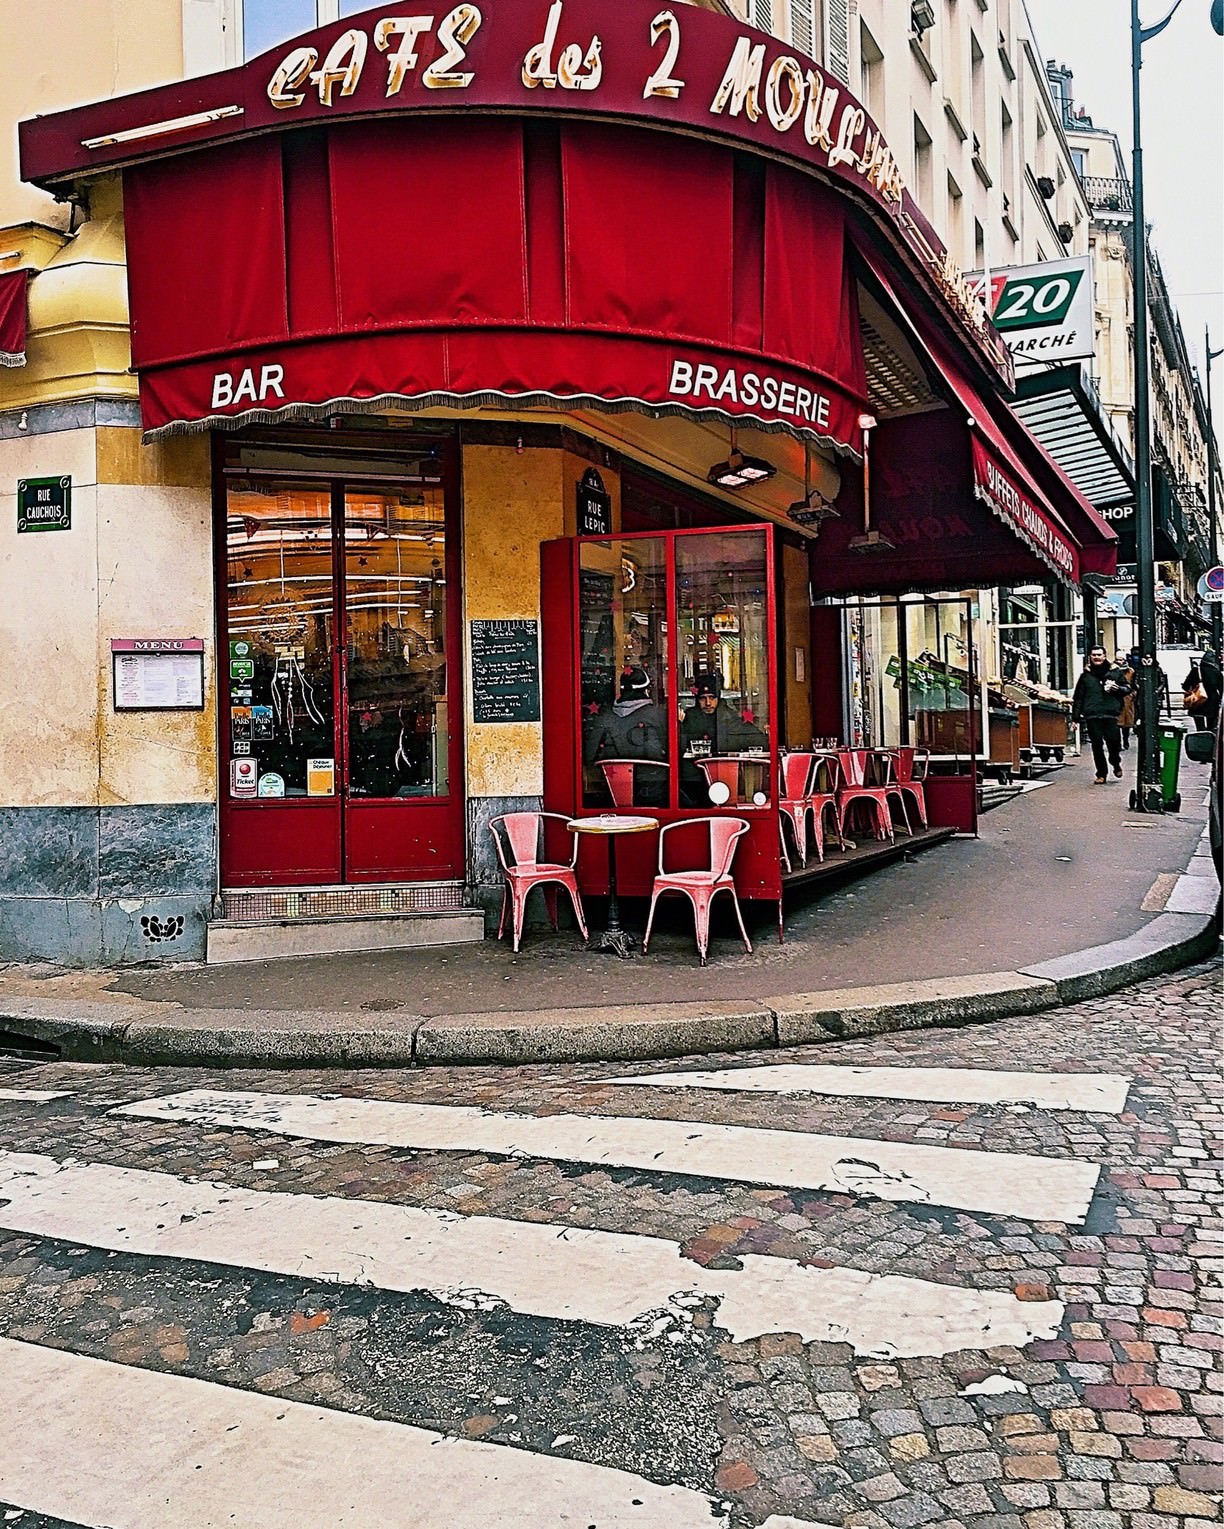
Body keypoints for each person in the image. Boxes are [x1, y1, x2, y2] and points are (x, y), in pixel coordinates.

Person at [582, 665, 669, 804]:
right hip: (655, 793)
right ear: (646, 691)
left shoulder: (604, 718)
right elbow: (678, 750)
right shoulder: (659, 716)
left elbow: (590, 755)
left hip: (608, 794)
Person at [679, 672, 767, 803]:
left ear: (718, 698)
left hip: (726, 778)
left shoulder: (730, 718)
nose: (708, 703)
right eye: (703, 698)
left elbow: (755, 739)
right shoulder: (689, 718)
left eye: (712, 697)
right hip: (694, 781)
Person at [1071, 646, 1131, 784]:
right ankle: (1101, 773)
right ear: (1090, 657)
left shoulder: (1115, 672)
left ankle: (1115, 763)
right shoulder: (1085, 676)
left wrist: (1118, 688)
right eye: (1094, 655)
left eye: (1099, 655)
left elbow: (1127, 688)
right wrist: (1075, 718)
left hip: (1110, 714)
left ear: (1104, 656)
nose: (1096, 657)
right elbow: (1078, 697)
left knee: (1114, 742)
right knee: (1096, 745)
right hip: (1092, 715)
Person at [1114, 650, 1136, 750]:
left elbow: (1134, 684)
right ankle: (1118, 743)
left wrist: (1133, 694)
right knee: (1117, 722)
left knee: (1127, 723)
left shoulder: (1130, 671)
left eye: (1121, 659)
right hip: (1116, 698)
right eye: (1117, 659)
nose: (1119, 662)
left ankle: (1125, 740)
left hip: (1127, 698)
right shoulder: (1112, 669)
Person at [1198, 648, 1221, 732]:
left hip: (1198, 699)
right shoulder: (1216, 672)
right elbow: (1221, 688)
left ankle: (1200, 735)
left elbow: (1186, 685)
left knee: (1199, 724)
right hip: (1212, 699)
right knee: (1211, 723)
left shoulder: (1196, 671)